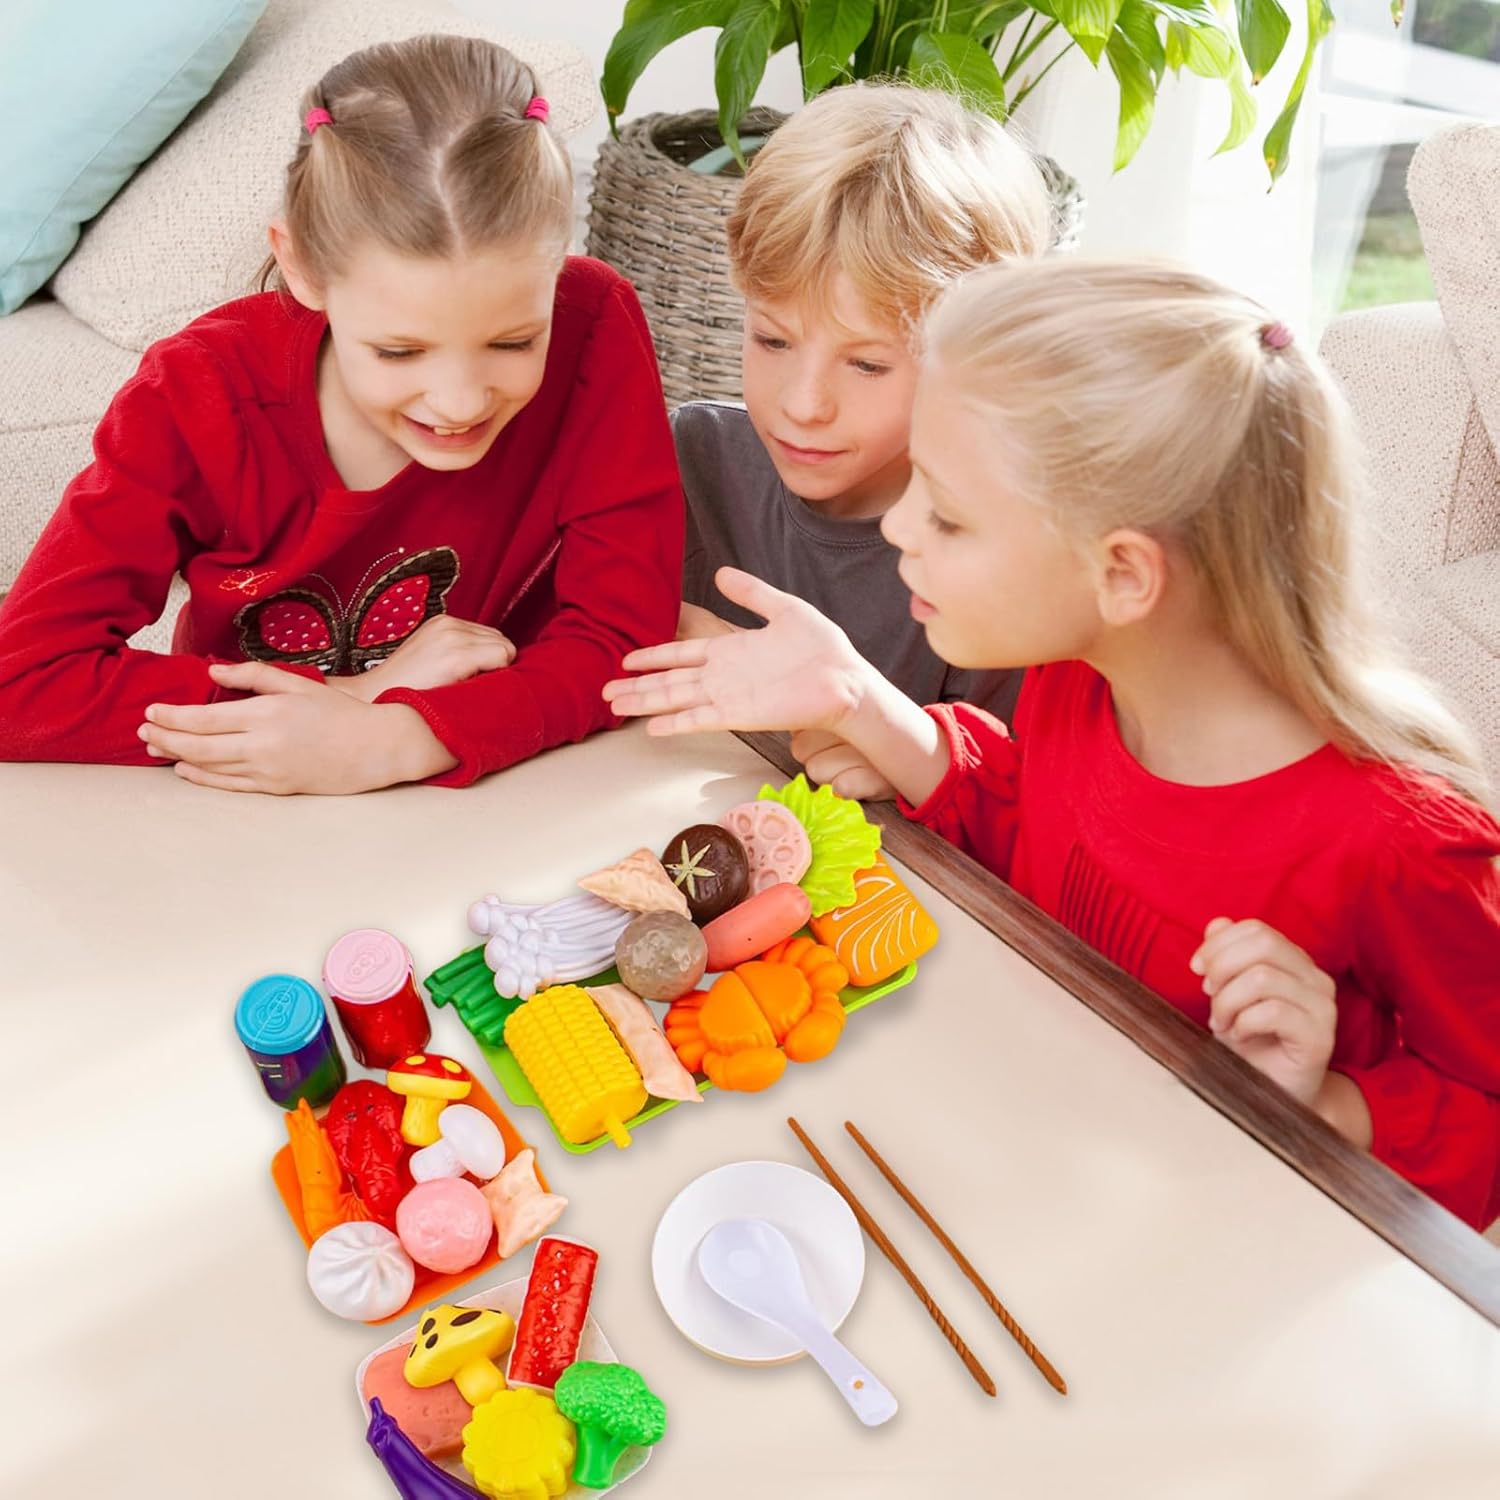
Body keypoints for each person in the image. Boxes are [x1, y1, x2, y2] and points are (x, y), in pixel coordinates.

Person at [607, 259, 1500, 1231]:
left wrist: (1324, 1105)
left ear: (1123, 575)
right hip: (1029, 1151)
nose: (898, 526)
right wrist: (862, 703)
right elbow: (1035, 822)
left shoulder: (1402, 841)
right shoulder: (1083, 677)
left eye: (947, 514)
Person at [0, 34, 682, 793]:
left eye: (514, 342)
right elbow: (19, 684)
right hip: (242, 799)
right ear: (301, 265)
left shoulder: (594, 324)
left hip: (502, 793)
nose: (459, 401)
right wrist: (351, 699)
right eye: (399, 351)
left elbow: (623, 636)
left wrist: (406, 736)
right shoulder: (198, 392)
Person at [675, 82, 1049, 730]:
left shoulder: (1003, 562)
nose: (803, 404)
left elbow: (1002, 783)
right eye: (772, 340)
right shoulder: (690, 459)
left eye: (868, 364)